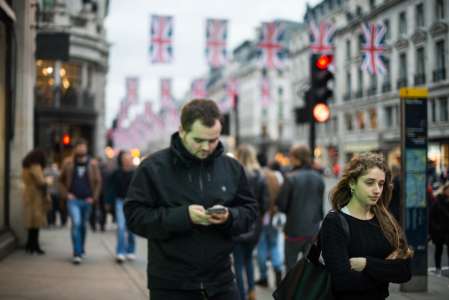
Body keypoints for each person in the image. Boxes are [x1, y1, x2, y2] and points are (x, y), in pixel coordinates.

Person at [124, 99, 257, 300]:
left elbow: (250, 212)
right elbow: (135, 217)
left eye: (213, 140)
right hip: (171, 285)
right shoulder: (153, 167)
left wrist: (230, 216)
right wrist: (184, 216)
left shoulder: (232, 168)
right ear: (182, 131)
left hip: (221, 282)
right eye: (199, 140)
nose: (206, 147)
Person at [321, 152, 413, 300]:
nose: (377, 190)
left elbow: (405, 271)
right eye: (369, 183)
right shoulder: (335, 222)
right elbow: (342, 282)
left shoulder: (386, 220)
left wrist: (367, 264)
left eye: (381, 184)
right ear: (352, 183)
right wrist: (386, 270)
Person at [276, 145, 325, 271]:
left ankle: (291, 290)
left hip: (294, 230)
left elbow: (281, 205)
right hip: (313, 230)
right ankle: (307, 290)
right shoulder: (319, 178)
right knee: (310, 267)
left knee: (290, 268)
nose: (290, 160)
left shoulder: (290, 177)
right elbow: (320, 205)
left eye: (291, 157)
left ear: (297, 159)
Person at [233, 144, 269, 300]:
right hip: (255, 226)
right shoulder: (260, 176)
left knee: (238, 264)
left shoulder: (234, 175)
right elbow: (265, 203)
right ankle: (252, 292)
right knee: (248, 259)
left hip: (237, 225)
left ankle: (241, 295)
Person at [59, 138, 102, 264]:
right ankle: (76, 252)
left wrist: (93, 198)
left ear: (86, 148)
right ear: (75, 148)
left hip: (87, 200)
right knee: (76, 224)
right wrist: (67, 195)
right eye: (80, 147)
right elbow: (60, 181)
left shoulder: (93, 164)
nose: (82, 149)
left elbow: (98, 182)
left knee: (83, 226)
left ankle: (81, 248)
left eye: (84, 147)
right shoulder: (68, 163)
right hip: (73, 200)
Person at [255, 159, 285, 288]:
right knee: (274, 245)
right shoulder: (275, 178)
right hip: (273, 217)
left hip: (261, 217)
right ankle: (278, 270)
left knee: (261, 247)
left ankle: (263, 277)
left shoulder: (259, 178)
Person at [106, 150, 136, 263]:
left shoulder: (136, 172)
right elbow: (110, 188)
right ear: (121, 160)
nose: (127, 160)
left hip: (133, 203)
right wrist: (108, 202)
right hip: (119, 202)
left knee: (132, 227)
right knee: (121, 227)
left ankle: (131, 250)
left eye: (129, 158)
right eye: (125, 158)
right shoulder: (116, 173)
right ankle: (120, 252)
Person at [22, 149, 51, 255]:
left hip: (28, 194)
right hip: (35, 195)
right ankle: (34, 245)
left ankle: (30, 245)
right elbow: (40, 181)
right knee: (36, 221)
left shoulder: (26, 166)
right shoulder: (35, 166)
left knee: (31, 221)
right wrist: (46, 183)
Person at [429, 182, 449, 276]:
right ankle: (438, 269)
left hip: (447, 231)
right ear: (444, 190)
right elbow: (431, 217)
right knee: (439, 250)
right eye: (448, 189)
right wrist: (436, 228)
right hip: (440, 232)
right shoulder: (438, 201)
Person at [44, 162, 66, 227]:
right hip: (56, 192)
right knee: (59, 208)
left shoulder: (45, 173)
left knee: (50, 209)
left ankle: (50, 222)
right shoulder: (58, 173)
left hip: (49, 192)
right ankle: (61, 222)